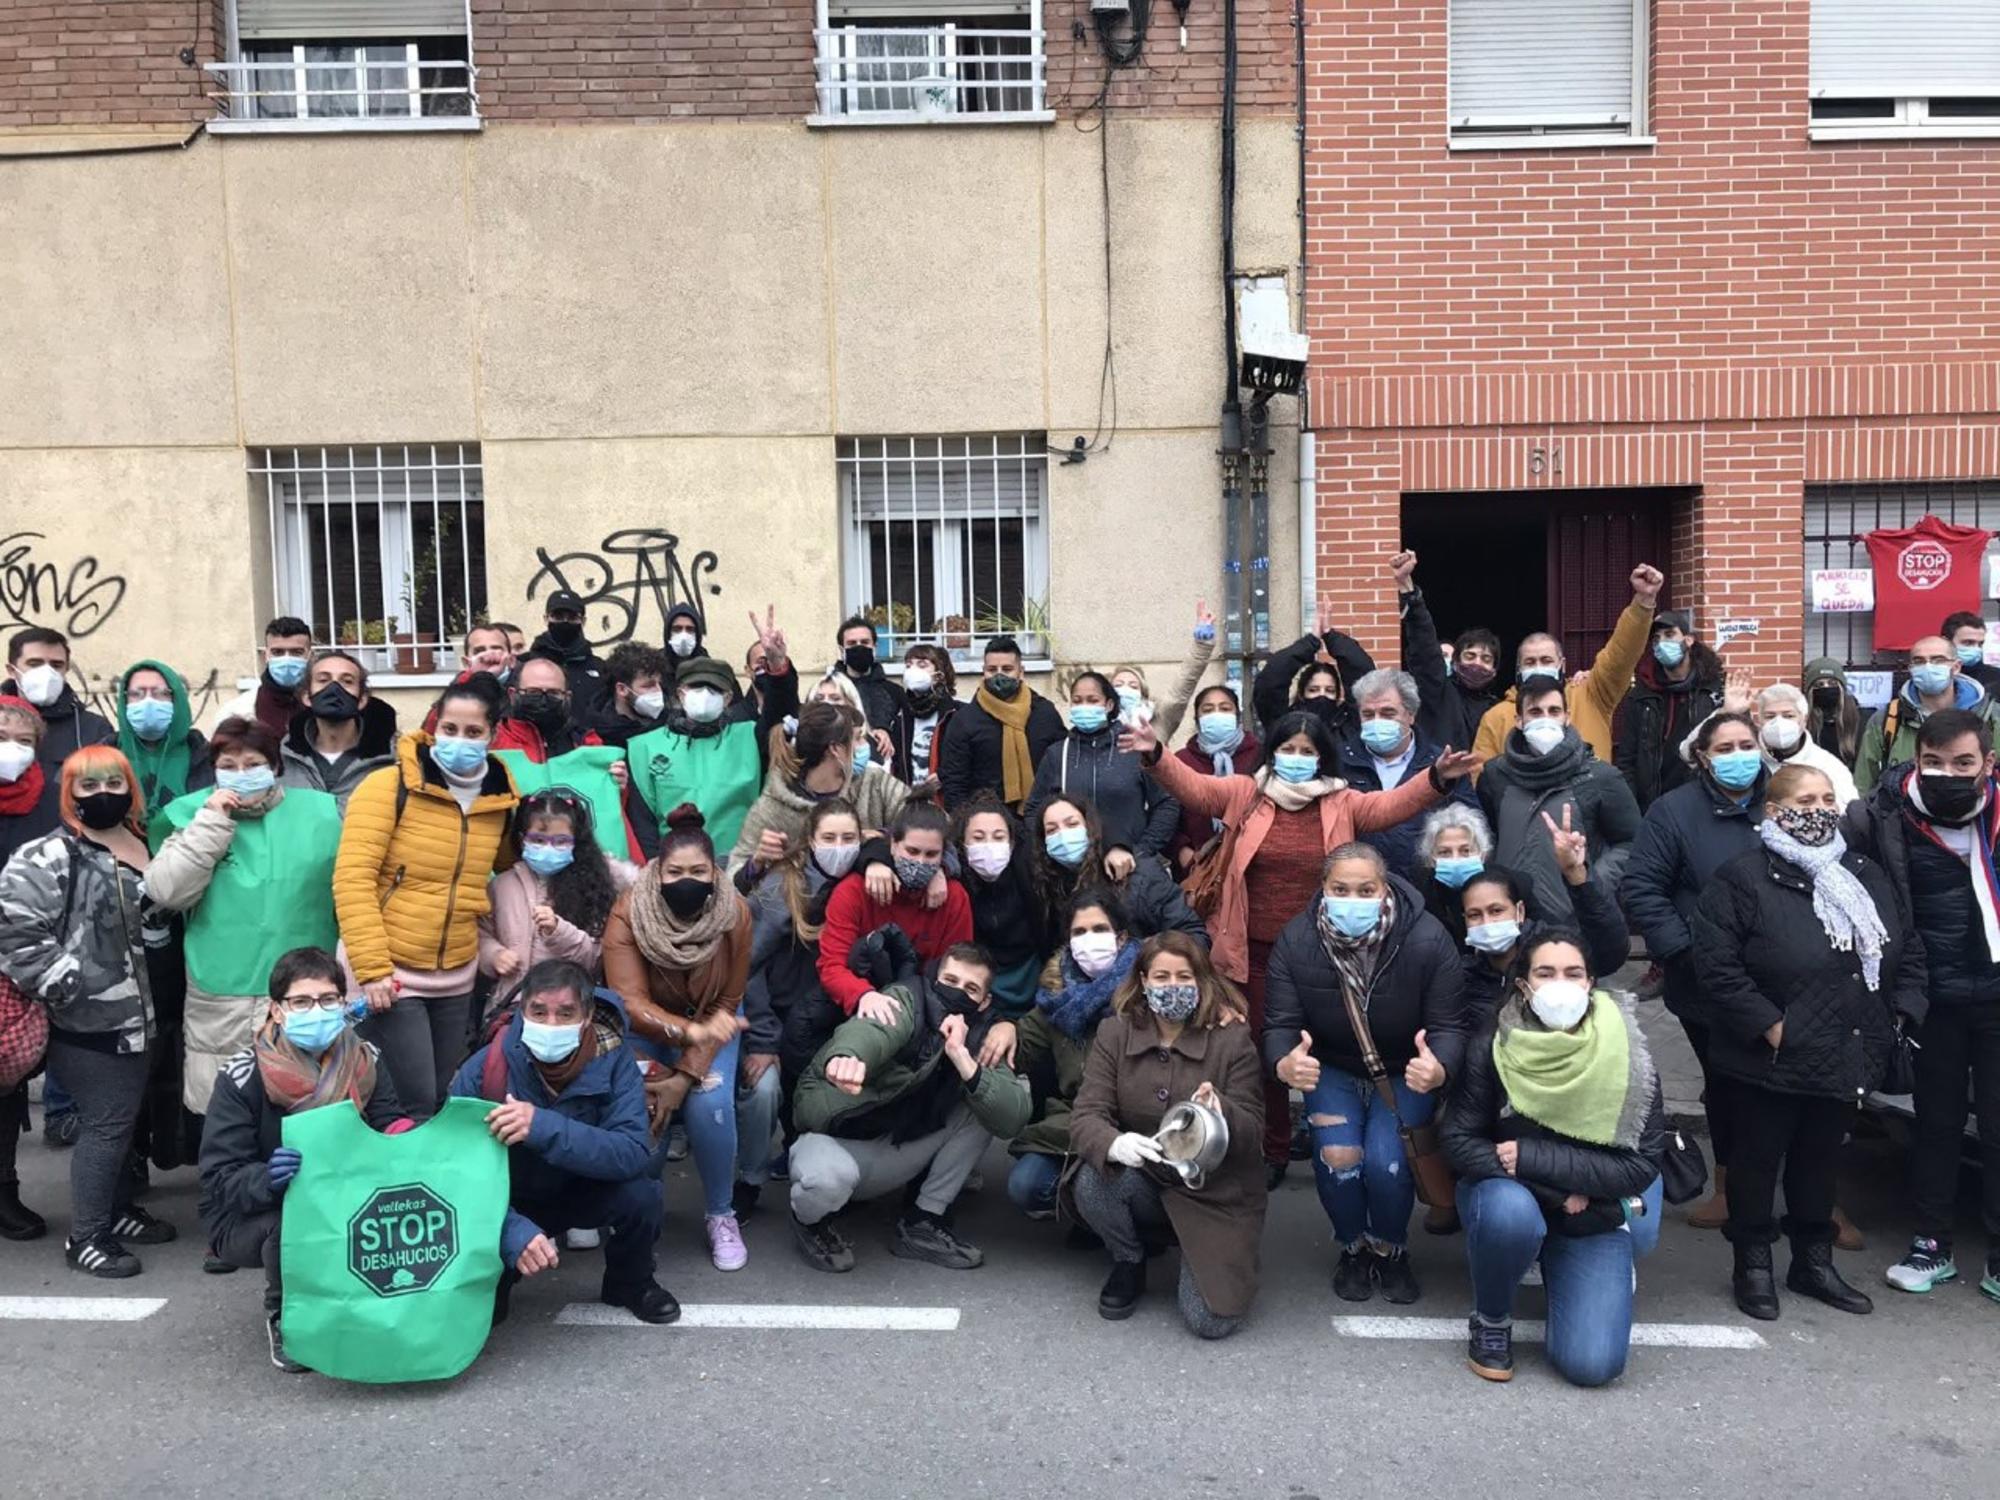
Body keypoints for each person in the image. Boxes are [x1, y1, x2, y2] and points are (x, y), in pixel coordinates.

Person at [1125, 708, 1472, 1179]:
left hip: (1331, 950)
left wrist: (1435, 777)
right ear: (1272, 752)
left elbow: (1392, 806)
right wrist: (1157, 753)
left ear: (1323, 758)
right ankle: (1274, 1147)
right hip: (1257, 951)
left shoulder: (1342, 801)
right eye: (1288, 749)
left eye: (1307, 751)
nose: (1296, 758)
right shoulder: (1247, 795)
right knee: (1267, 1048)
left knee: (1328, 1045)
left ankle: (1332, 1129)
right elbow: (1196, 790)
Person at [1693, 764, 1925, 1320]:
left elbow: (1906, 947)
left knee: (1820, 1163)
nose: (1820, 809)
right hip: (1767, 1057)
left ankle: (1812, 1263)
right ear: (1774, 811)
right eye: (1806, 799)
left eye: (1828, 798)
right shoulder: (1743, 877)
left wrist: (1903, 1014)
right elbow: (1717, 966)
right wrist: (1771, 1025)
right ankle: (1752, 1266)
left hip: (1849, 1048)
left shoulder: (1864, 873)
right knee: (1755, 1162)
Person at [1442, 930, 1665, 1386]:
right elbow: (1460, 1140)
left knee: (1593, 1366)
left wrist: (1531, 1156)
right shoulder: (1494, 1040)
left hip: (1594, 1209)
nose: (1560, 984)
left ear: (1591, 982)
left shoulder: (1628, 1049)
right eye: (1545, 973)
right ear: (1523, 985)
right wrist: (1555, 1190)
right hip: (1522, 1194)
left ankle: (1591, 1269)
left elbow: (1641, 1165)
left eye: (1573, 973)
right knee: (1511, 1214)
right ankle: (1491, 1319)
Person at [1843, 709, 2000, 1302]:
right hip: (1930, 998)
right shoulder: (1885, 819)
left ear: (1988, 763)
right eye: (1934, 763)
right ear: (1917, 760)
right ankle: (1931, 1242)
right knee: (1934, 1126)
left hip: (1996, 996)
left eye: (1963, 764)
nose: (1947, 775)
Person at [0, 747, 175, 1276]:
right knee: (105, 1127)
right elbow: (15, 932)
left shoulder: (145, 842)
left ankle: (116, 1211)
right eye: (88, 786)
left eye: (113, 783)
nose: (103, 794)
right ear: (69, 793)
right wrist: (70, 984)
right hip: (89, 1022)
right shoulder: (48, 855)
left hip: (149, 1015)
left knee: (124, 1124)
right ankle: (88, 1236)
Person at [1265, 843, 1466, 1302]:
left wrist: (1441, 1065)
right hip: (1332, 1065)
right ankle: (1352, 1245)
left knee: (1387, 1164)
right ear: (1322, 889)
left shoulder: (1428, 938)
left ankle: (1391, 1247)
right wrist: (1284, 1062)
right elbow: (1279, 1024)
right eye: (1340, 889)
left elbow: (1449, 1024)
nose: (1352, 899)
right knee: (1339, 1160)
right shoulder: (1297, 940)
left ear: (1385, 888)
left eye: (1364, 889)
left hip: (1404, 1070)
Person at [198, 946, 409, 1371]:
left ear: (343, 1003)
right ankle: (284, 1314)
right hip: (256, 1213)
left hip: (345, 1193)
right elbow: (219, 1177)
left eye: (328, 999)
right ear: (277, 1010)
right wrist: (266, 1179)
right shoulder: (242, 1077)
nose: (317, 1010)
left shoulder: (365, 1060)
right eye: (301, 1002)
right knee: (291, 1222)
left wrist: (400, 1137)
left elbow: (388, 1121)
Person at [448, 958, 680, 1325]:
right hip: (508, 1199)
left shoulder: (616, 1060)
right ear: (522, 1010)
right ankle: (498, 1278)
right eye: (538, 1012)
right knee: (486, 1317)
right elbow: (453, 1172)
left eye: (565, 1013)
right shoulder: (485, 1068)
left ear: (586, 1017)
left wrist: (542, 1126)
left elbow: (633, 1151)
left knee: (642, 1194)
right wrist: (513, 1232)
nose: (550, 1025)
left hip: (581, 1189)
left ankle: (630, 1282)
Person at [333, 675, 520, 1118]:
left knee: (440, 1094)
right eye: (449, 728)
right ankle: (398, 1186)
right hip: (391, 972)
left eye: (474, 732)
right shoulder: (387, 787)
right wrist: (373, 970)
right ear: (434, 725)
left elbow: (516, 868)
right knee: (410, 1099)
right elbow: (352, 878)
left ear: (492, 735)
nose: (459, 740)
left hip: (457, 972)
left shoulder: (501, 801)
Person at [1067, 930, 1266, 1336]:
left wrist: (1222, 1111)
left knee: (1210, 1322)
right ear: (1143, 981)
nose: (1172, 986)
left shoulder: (1232, 1039)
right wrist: (1114, 1143)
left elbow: (1254, 1134)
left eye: (1184, 976)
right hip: (1148, 1174)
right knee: (1092, 1180)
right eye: (1161, 977)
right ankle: (1129, 1258)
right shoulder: (1115, 1033)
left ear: (1201, 980)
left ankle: (1215, 1250)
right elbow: (1086, 1115)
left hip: (1214, 1190)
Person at [789, 941, 1030, 1272]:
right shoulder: (905, 999)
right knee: (826, 1182)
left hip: (898, 1151)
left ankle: (923, 1221)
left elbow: (1012, 1117)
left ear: (985, 1001)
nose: (958, 992)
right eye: (951, 980)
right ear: (934, 978)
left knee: (983, 1101)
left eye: (971, 989)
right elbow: (873, 1030)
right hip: (839, 1142)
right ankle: (810, 1223)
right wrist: (849, 1057)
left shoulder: (982, 1034)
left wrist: (962, 1058)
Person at [146, 717, 343, 1120]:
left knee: (307, 1106)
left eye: (253, 764)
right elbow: (166, 890)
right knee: (227, 1113)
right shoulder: (190, 816)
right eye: (229, 765)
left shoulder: (324, 816)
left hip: (305, 994)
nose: (241, 774)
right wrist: (212, 821)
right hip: (222, 990)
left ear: (274, 766)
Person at [600, 805, 765, 1272]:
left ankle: (720, 1213)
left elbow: (728, 1001)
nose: (686, 880)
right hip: (645, 1028)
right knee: (649, 1112)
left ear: (714, 873)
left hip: (714, 1021)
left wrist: (687, 1071)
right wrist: (683, 1038)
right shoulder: (629, 910)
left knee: (708, 1106)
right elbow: (628, 1001)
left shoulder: (734, 912)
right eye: (675, 871)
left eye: (697, 871)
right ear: (658, 870)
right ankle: (642, 1210)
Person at [1620, 709, 1766, 1232]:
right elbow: (1643, 887)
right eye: (1723, 748)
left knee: (1799, 1087)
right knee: (1727, 1084)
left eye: (1745, 744)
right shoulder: (1674, 811)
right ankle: (1730, 1187)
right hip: (1708, 983)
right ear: (1702, 758)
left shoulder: (1785, 800)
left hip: (1786, 979)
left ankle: (1813, 1194)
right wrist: (1684, 951)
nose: (1737, 757)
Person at [1001, 892, 1141, 1219]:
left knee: (1124, 1185)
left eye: (1099, 929)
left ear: (1120, 938)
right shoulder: (1057, 996)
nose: (1088, 940)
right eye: (1079, 933)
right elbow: (1021, 1047)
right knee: (1026, 1185)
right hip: (1075, 1122)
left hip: (1135, 1122)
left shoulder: (1147, 987)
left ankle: (1121, 1218)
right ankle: (1089, 1212)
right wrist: (1002, 1025)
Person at [740, 799, 862, 1146]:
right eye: (829, 838)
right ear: (810, 840)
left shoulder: (865, 879)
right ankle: (755, 1175)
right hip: (779, 1017)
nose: (839, 848)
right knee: (769, 1094)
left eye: (848, 838)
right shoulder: (782, 887)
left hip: (836, 1018)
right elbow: (748, 967)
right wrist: (763, 1041)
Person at [632, 613, 798, 860]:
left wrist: (777, 665)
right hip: (674, 871)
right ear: (680, 694)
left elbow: (780, 714)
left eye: (714, 689)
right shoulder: (644, 746)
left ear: (728, 698)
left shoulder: (750, 736)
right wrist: (659, 872)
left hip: (741, 869)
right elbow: (642, 823)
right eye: (696, 688)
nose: (704, 694)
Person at [1474, 678, 1640, 923]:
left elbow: (1632, 842)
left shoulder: (1601, 776)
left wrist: (1590, 881)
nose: (1545, 719)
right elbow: (1487, 838)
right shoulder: (1495, 776)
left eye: (1554, 711)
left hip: (1578, 918)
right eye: (1535, 712)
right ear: (1519, 720)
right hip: (1510, 921)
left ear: (1567, 717)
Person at [1472, 564, 1665, 765]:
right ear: (1519, 669)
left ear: (1561, 664)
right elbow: (1483, 780)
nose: (1538, 666)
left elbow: (1622, 653)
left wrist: (1643, 602)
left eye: (1546, 660)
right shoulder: (1495, 718)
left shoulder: (1592, 695)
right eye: (1530, 662)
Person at [815, 797, 972, 1022]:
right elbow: (831, 966)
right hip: (856, 1008)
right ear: (892, 845)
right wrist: (863, 995)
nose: (920, 862)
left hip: (926, 1010)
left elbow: (959, 969)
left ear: (943, 856)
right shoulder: (853, 890)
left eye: (930, 855)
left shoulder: (954, 897)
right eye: (912, 851)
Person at [1455, 834, 1630, 1023]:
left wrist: (1578, 878)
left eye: (1496, 911)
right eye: (1475, 915)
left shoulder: (1554, 948)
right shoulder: (1464, 975)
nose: (1487, 922)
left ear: (1520, 911)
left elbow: (1610, 952)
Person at [729, 701, 910, 881]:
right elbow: (733, 878)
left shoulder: (873, 782)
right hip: (800, 907)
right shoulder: (773, 806)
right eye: (855, 739)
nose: (863, 746)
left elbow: (924, 821)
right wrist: (756, 863)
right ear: (835, 749)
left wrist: (879, 842)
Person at [1337, 667, 1479, 881]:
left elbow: (1474, 828)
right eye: (1368, 714)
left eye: (1388, 713)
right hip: (1359, 888)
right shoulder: (1339, 763)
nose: (1377, 721)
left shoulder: (1443, 765)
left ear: (1411, 714)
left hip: (1428, 892)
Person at [478, 789, 629, 987]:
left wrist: (559, 931)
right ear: (522, 838)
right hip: (511, 1002)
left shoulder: (594, 888)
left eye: (561, 841)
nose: (548, 848)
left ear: (576, 843)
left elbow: (597, 958)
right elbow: (481, 934)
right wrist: (494, 955)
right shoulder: (501, 885)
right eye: (538, 840)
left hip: (569, 1003)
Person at [1027, 670, 1180, 862]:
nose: (1084, 706)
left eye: (1092, 700)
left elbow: (1167, 803)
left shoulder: (1135, 748)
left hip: (1130, 869)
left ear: (1109, 704)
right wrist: (1051, 851)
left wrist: (1140, 852)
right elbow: (1034, 809)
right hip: (1074, 872)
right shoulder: (1058, 754)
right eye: (1077, 700)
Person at [1033, 794, 1209, 955]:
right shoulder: (1048, 887)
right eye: (1051, 830)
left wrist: (1148, 957)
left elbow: (1193, 935)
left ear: (1090, 828)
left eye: (1072, 824)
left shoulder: (1138, 874)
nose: (1063, 835)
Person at [1856, 634, 2000, 793]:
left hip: (1977, 812)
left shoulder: (1992, 717)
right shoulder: (1887, 720)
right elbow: (1863, 786)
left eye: (1938, 660)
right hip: (1902, 814)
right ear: (1910, 669)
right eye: (1919, 661)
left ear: (1956, 667)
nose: (1928, 667)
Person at [938, 635, 1065, 815]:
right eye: (992, 669)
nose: (999, 675)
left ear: (1021, 672)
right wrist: (964, 825)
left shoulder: (1044, 714)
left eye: (1007, 669)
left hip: (1040, 820)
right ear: (983, 671)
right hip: (986, 823)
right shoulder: (965, 720)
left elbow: (1061, 768)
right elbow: (954, 780)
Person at [2, 628, 115, 830]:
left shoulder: (93, 729)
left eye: (56, 665)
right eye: (34, 664)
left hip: (64, 847)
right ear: (12, 670)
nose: (47, 673)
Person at [1616, 611, 1724, 812]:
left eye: (1669, 635)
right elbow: (1627, 758)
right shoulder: (1641, 695)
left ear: (1689, 640)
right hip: (1654, 805)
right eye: (1656, 639)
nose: (1662, 643)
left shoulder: (1715, 691)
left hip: (1703, 804)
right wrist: (1631, 810)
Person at [949, 793, 1045, 1017]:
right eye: (978, 838)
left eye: (998, 837)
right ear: (963, 844)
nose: (989, 846)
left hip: (1034, 986)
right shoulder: (954, 881)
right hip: (977, 990)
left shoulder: (1033, 877)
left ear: (1011, 844)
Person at [1397, 554, 1504, 752]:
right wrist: (1408, 590)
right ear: (1455, 661)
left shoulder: (1500, 709)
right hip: (1439, 780)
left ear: (1495, 669)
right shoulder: (1439, 692)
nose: (1477, 664)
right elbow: (1424, 648)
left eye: (1486, 659)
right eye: (1470, 656)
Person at [280, 651, 398, 813]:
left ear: (362, 700)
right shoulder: (281, 760)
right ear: (307, 697)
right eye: (323, 680)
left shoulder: (395, 760)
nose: (334, 689)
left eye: (347, 681)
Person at [1166, 683, 1264, 875]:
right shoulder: (1182, 760)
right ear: (1197, 719)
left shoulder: (1259, 756)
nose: (1217, 714)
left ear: (1237, 717)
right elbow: (1166, 812)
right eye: (1208, 710)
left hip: (1252, 868)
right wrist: (1182, 851)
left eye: (1225, 708)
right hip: (1195, 869)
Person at [1251, 601, 1377, 737]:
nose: (1321, 695)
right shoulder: (1284, 724)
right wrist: (1310, 642)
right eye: (1313, 690)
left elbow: (1362, 674)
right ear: (1301, 693)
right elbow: (1270, 682)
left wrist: (1331, 636)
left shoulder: (1351, 725)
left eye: (1329, 690)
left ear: (1338, 695)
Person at [115, 660, 214, 809]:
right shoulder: (106, 753)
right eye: (136, 694)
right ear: (124, 700)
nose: (148, 702)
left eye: (161, 693)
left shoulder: (205, 756)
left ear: (176, 699)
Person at [1751, 682, 1859, 808]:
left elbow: (1846, 816)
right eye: (1770, 716)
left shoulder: (1829, 767)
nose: (1778, 723)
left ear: (1804, 720)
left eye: (1788, 716)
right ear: (1759, 721)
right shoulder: (1750, 763)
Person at [493, 651, 607, 760]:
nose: (543, 699)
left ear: (568, 697)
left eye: (553, 693)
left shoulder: (586, 742)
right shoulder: (494, 740)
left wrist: (617, 778)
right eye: (533, 692)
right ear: (512, 695)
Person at [1413, 802, 1493, 946]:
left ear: (1482, 854)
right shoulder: (1418, 899)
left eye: (1465, 851)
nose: (1456, 859)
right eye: (1445, 852)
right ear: (1431, 858)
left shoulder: (1501, 889)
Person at [219, 616, 314, 737]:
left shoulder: (325, 704)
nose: (287, 659)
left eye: (296, 652)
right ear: (266, 656)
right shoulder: (237, 711)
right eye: (278, 652)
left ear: (310, 656)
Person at [528, 588, 609, 721]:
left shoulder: (600, 668)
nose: (565, 622)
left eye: (572, 617)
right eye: (558, 616)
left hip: (590, 740)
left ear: (583, 621)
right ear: (546, 618)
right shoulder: (527, 665)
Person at [886, 644, 958, 786]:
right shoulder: (900, 718)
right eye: (908, 665)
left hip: (944, 800)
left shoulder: (956, 714)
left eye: (922, 665)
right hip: (910, 801)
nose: (913, 670)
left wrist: (944, 775)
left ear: (939, 674)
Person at [833, 615, 907, 732]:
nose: (859, 647)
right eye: (852, 643)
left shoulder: (894, 692)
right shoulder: (829, 692)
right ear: (842, 651)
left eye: (865, 642)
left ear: (874, 647)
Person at [591, 641, 671, 748]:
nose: (658, 691)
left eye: (659, 684)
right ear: (622, 689)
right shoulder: (597, 737)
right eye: (648, 686)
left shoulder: (671, 726)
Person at [1804, 657, 1862, 767]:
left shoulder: (1860, 718)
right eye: (1819, 685)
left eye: (1832, 683)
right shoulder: (1804, 721)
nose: (1826, 688)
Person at [1943, 609, 2000, 699]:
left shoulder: (1996, 678)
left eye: (1980, 644)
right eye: (1968, 642)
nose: (1976, 649)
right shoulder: (1934, 676)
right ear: (1946, 642)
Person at [663, 603, 710, 676]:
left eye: (690, 629)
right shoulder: (655, 667)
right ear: (668, 633)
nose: (683, 636)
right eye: (677, 629)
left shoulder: (709, 669)